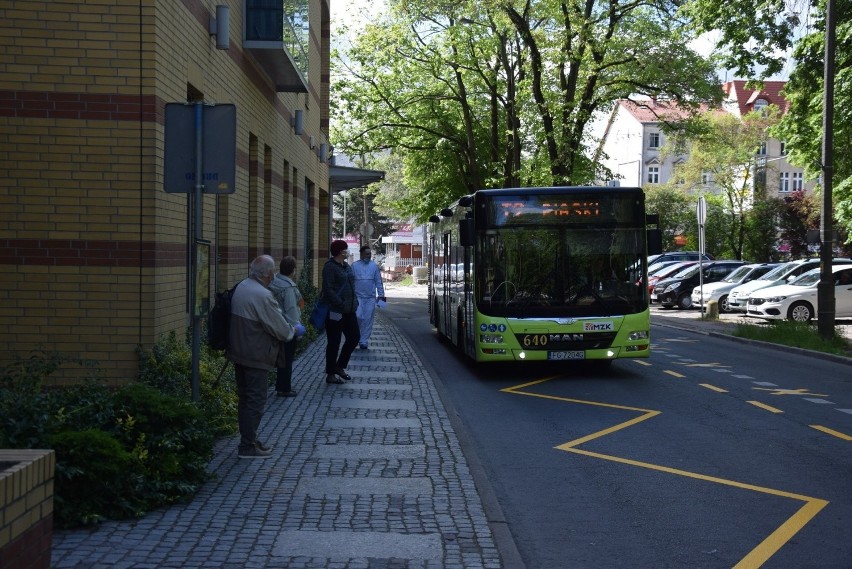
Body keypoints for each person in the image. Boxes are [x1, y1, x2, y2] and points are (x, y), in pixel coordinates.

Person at [229, 255, 305, 458]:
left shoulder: (242, 286)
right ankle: (247, 446)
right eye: (271, 273)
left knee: (245, 399)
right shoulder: (262, 295)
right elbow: (280, 329)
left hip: (239, 352)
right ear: (268, 274)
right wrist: (293, 331)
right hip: (255, 354)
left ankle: (250, 439)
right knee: (255, 400)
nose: (273, 277)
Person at [322, 240, 359, 384]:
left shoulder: (346, 266)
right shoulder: (330, 267)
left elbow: (351, 284)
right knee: (334, 343)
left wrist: (354, 301)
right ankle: (330, 374)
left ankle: (339, 366)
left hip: (350, 310)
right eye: (345, 249)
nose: (347, 251)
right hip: (335, 312)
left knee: (354, 337)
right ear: (339, 251)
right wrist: (340, 302)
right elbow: (328, 289)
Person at [269, 255, 304, 398]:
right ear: (293, 270)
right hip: (287, 327)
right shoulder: (288, 287)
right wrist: (297, 329)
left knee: (281, 358)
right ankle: (284, 388)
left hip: (274, 323)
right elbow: (291, 310)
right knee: (286, 359)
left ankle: (281, 386)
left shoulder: (274, 282)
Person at [352, 245, 385, 349]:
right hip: (358, 298)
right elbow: (351, 282)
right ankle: (356, 337)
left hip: (370, 298)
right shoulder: (354, 266)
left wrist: (381, 297)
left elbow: (378, 282)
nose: (369, 256)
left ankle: (364, 341)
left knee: (368, 319)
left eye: (370, 254)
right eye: (367, 254)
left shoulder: (374, 266)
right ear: (361, 254)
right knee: (358, 316)